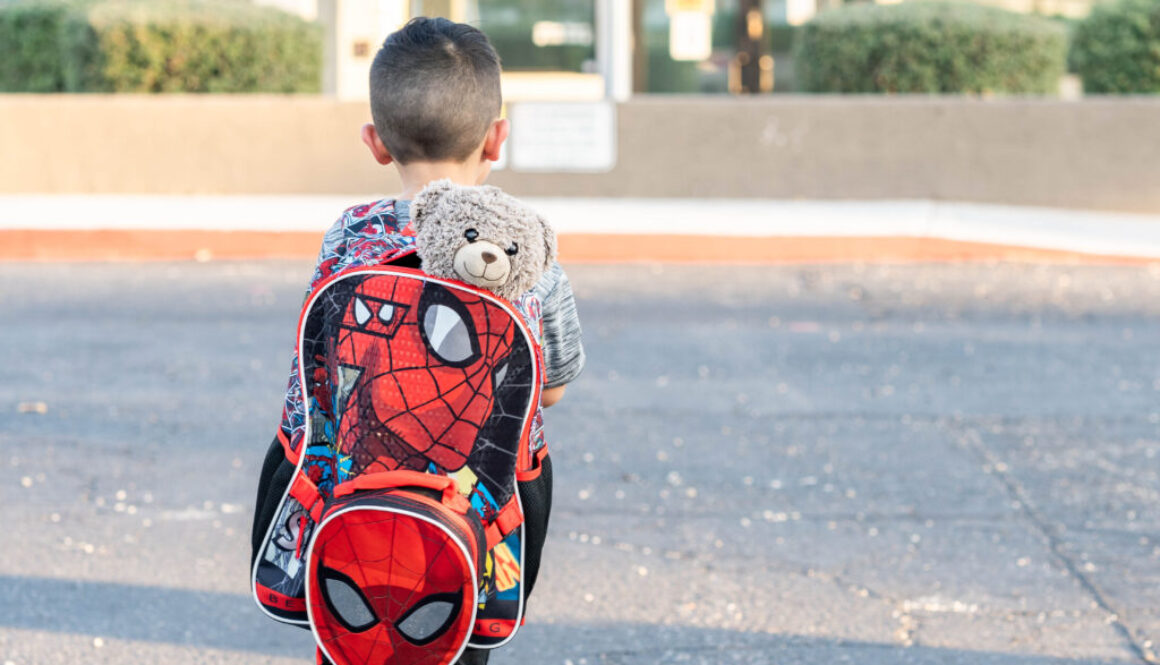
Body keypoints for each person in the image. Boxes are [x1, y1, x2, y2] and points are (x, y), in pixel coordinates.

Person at [250, 16, 585, 665]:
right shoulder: (528, 250)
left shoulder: (347, 234)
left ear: (376, 143)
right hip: (471, 517)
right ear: (498, 138)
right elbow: (555, 386)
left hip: (346, 493)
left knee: (349, 634)